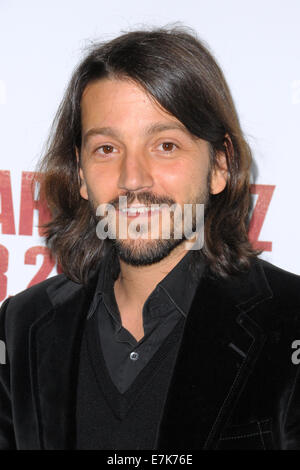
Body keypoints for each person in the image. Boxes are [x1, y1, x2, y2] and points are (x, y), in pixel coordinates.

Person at [0, 25, 300, 451]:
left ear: (220, 164)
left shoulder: (289, 322)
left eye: (165, 145)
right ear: (80, 173)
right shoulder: (21, 326)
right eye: (106, 148)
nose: (133, 179)